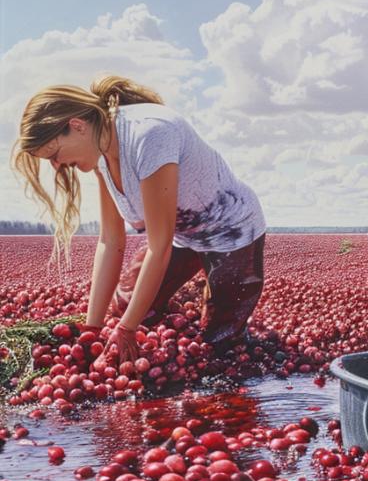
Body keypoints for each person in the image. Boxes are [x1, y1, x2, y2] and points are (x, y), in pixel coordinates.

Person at [12, 76, 267, 361]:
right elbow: (110, 241)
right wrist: (93, 328)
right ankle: (186, 299)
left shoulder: (149, 136)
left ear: (77, 126)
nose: (57, 166)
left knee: (218, 342)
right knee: (125, 305)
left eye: (54, 155)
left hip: (231, 231)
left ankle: (204, 296)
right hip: (183, 235)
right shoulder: (100, 153)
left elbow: (159, 247)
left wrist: (127, 329)